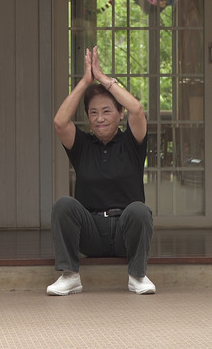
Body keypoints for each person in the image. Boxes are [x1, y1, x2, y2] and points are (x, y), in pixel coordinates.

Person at [47, 46, 155, 296]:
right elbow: (60, 122)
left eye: (107, 111)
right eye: (93, 113)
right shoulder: (83, 145)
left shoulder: (132, 143)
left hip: (124, 233)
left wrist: (104, 80)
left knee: (140, 210)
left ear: (120, 113)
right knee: (63, 204)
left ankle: (137, 276)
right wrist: (86, 81)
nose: (100, 118)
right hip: (91, 231)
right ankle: (70, 275)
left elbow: (138, 109)